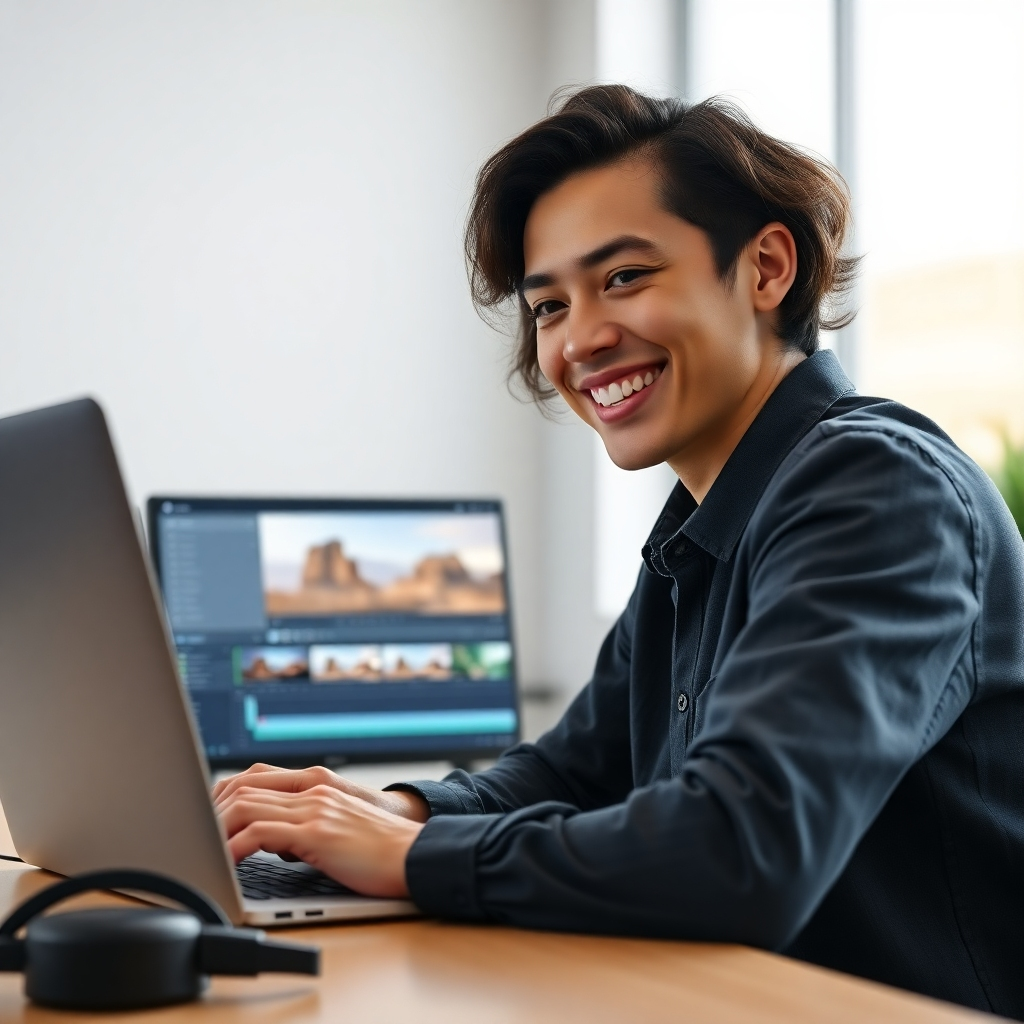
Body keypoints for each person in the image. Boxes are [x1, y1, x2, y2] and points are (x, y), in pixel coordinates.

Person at [213, 86, 1024, 1018]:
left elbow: (742, 848)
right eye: (549, 305)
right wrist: (393, 812)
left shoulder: (876, 487)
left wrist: (410, 856)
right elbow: (570, 773)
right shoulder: (701, 524)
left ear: (765, 268)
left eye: (626, 277)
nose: (581, 340)